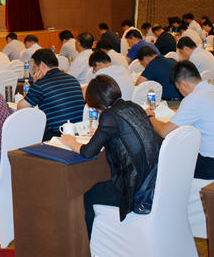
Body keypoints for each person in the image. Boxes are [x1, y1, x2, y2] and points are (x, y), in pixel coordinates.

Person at [59, 74, 160, 237]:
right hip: (152, 180)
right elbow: (124, 133)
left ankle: (89, 244)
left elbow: (87, 152)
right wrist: (101, 132)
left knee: (87, 196)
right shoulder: (131, 106)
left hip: (133, 188)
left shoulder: (109, 115)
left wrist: (70, 141)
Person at [146, 61, 214, 180]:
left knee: (170, 159)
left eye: (178, 89)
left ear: (184, 84)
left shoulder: (194, 99)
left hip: (213, 166)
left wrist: (149, 117)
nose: (180, 93)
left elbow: (163, 131)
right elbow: (196, 110)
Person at [18, 49, 85, 141]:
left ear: (42, 65)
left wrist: (35, 83)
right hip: (79, 132)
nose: (34, 71)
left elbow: (20, 107)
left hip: (58, 135)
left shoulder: (41, 84)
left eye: (34, 68)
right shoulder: (72, 79)